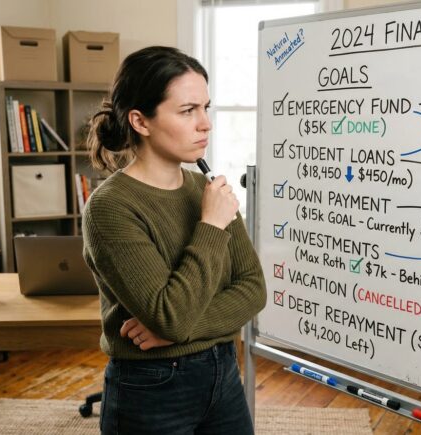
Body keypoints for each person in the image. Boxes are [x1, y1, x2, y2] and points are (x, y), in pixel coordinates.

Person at [81, 46, 267, 435]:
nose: (206, 124)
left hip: (222, 372)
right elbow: (172, 316)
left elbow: (253, 290)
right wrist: (212, 226)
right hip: (151, 387)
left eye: (206, 107)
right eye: (187, 111)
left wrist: (175, 331)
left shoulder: (205, 188)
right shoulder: (110, 208)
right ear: (140, 121)